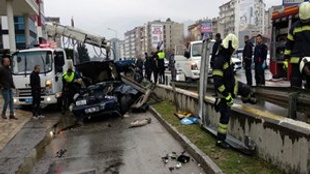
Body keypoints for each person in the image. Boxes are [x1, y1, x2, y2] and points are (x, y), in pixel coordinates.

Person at [212, 33, 257, 148]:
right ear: (228, 46)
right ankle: (220, 140)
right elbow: (217, 83)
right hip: (224, 93)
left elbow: (230, 76)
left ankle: (246, 100)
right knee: (225, 116)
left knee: (247, 89)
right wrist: (227, 96)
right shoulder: (219, 61)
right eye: (232, 49)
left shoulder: (228, 59)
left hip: (233, 86)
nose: (233, 51)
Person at [284, 2, 310, 89]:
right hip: (297, 62)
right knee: (295, 86)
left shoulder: (294, 27)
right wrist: (286, 59)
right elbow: (288, 44)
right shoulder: (294, 27)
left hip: (306, 61)